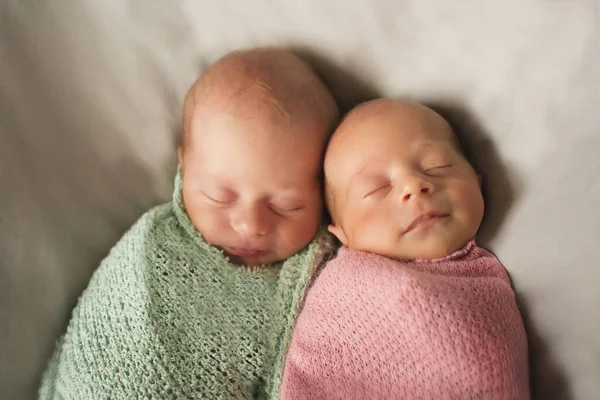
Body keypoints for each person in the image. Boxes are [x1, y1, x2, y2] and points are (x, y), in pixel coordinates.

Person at [39, 48, 339, 399]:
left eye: (285, 205)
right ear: (185, 167)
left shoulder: (321, 282)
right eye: (219, 197)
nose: (250, 224)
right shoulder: (154, 248)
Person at [281, 99, 529, 399]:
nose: (413, 184)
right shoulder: (346, 290)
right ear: (342, 235)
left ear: (477, 181)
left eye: (437, 165)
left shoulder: (484, 283)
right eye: (376, 188)